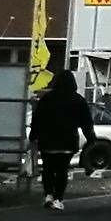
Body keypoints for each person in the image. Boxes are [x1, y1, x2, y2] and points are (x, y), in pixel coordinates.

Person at [29, 66, 91, 210]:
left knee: (48, 169)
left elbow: (37, 119)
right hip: (67, 141)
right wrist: (90, 137)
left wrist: (34, 136)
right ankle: (58, 199)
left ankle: (48, 195)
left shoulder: (47, 99)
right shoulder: (78, 100)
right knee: (62, 170)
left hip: (47, 140)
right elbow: (86, 121)